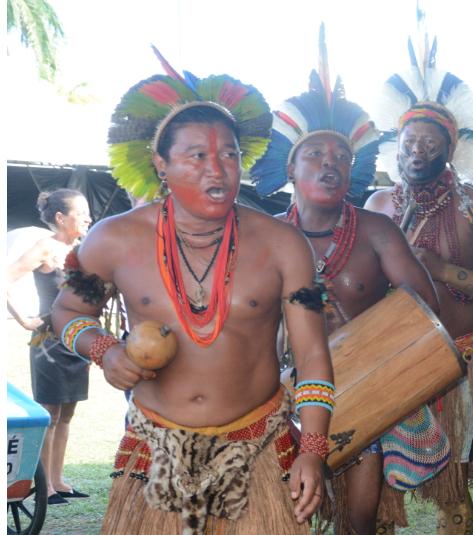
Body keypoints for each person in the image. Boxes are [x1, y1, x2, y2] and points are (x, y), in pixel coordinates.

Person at [51, 55, 333, 534]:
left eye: (229, 155)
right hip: (157, 449)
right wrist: (103, 350)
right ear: (161, 164)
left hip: (259, 446)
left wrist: (313, 449)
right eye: (197, 156)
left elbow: (312, 354)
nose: (217, 170)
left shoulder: (285, 245)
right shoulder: (112, 239)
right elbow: (67, 310)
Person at [250, 27, 440, 535]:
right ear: (291, 166)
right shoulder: (265, 238)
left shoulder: (377, 232)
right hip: (283, 394)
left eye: (341, 157)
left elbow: (426, 307)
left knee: (358, 524)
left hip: (364, 389)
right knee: (283, 518)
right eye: (316, 155)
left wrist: (373, 348)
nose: (330, 164)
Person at [366, 37, 473, 535]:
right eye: (410, 142)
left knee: (452, 489)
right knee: (378, 489)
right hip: (393, 361)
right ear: (396, 144)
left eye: (430, 145)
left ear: (450, 150)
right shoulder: (377, 205)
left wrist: (441, 269)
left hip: (458, 363)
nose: (417, 152)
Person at [7, 188, 92, 506]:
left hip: (77, 338)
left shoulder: (83, 249)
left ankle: (58, 481)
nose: (88, 218)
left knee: (68, 412)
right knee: (49, 413)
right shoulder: (45, 247)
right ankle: (45, 488)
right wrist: (23, 319)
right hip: (48, 341)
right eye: (81, 213)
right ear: (61, 217)